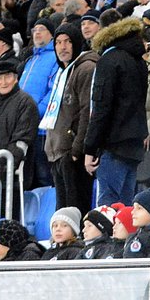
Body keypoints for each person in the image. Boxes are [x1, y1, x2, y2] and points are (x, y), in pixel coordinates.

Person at [85, 17, 147, 206]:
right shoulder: (139, 62)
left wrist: (90, 148)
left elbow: (101, 109)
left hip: (113, 145)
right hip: (134, 145)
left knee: (108, 208)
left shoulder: (109, 60)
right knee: (126, 208)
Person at [43, 22, 96, 214]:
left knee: (75, 212)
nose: (62, 47)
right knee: (63, 214)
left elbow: (87, 111)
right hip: (58, 152)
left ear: (76, 43)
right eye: (58, 42)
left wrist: (76, 149)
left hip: (72, 153)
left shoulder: (85, 68)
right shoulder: (62, 72)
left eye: (67, 42)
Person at [0, 61, 39, 219]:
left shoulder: (26, 102)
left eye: (8, 77)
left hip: (13, 177)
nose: (3, 82)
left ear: (16, 78)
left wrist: (5, 168)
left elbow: (22, 140)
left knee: (9, 221)